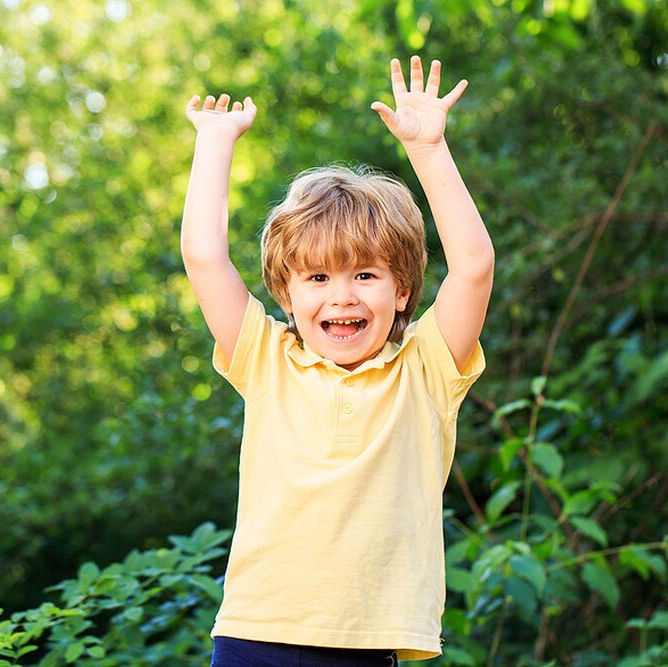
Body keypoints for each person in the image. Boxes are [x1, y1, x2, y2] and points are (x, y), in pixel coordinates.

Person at [182, 55, 494, 666]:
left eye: (366, 275)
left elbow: (475, 267)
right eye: (318, 277)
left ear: (402, 291)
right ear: (286, 294)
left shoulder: (427, 371)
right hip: (255, 636)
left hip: (365, 646)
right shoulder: (265, 358)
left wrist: (429, 150)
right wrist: (214, 143)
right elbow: (203, 256)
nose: (343, 296)